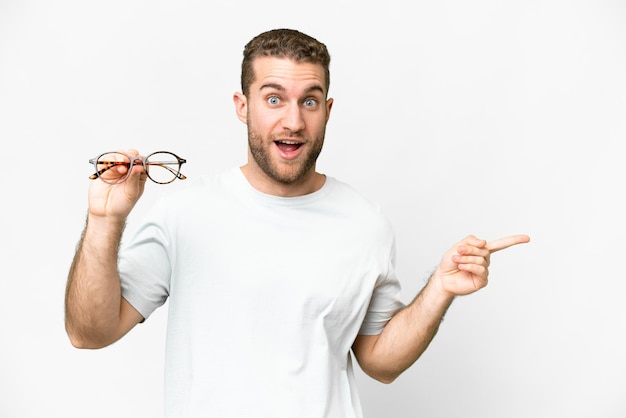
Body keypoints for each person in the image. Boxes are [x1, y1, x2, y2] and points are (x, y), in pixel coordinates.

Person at [65, 28, 530, 417]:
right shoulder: (185, 215)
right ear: (242, 105)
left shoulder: (365, 224)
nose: (293, 120)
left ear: (327, 111)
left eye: (309, 102)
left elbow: (380, 362)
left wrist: (439, 290)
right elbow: (89, 333)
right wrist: (106, 220)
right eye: (274, 98)